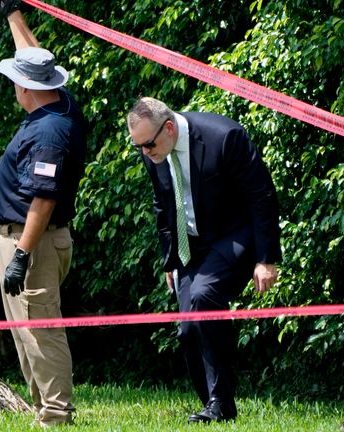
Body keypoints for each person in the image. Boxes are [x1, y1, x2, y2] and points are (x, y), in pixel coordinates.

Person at [126, 96, 281, 423]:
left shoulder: (223, 137)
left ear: (168, 128)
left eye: (148, 145)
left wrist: (267, 259)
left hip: (235, 237)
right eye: (138, 146)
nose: (145, 153)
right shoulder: (153, 150)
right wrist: (170, 259)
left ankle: (220, 404)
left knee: (202, 298)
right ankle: (213, 403)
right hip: (191, 247)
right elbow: (162, 205)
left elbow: (262, 195)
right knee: (187, 330)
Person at [0, 1, 87, 426]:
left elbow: (43, 199)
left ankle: (56, 414)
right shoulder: (59, 105)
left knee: (41, 329)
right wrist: (13, 13)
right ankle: (42, 407)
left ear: (24, 88)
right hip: (25, 239)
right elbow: (35, 56)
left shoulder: (49, 132)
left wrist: (23, 254)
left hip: (34, 240)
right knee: (26, 330)